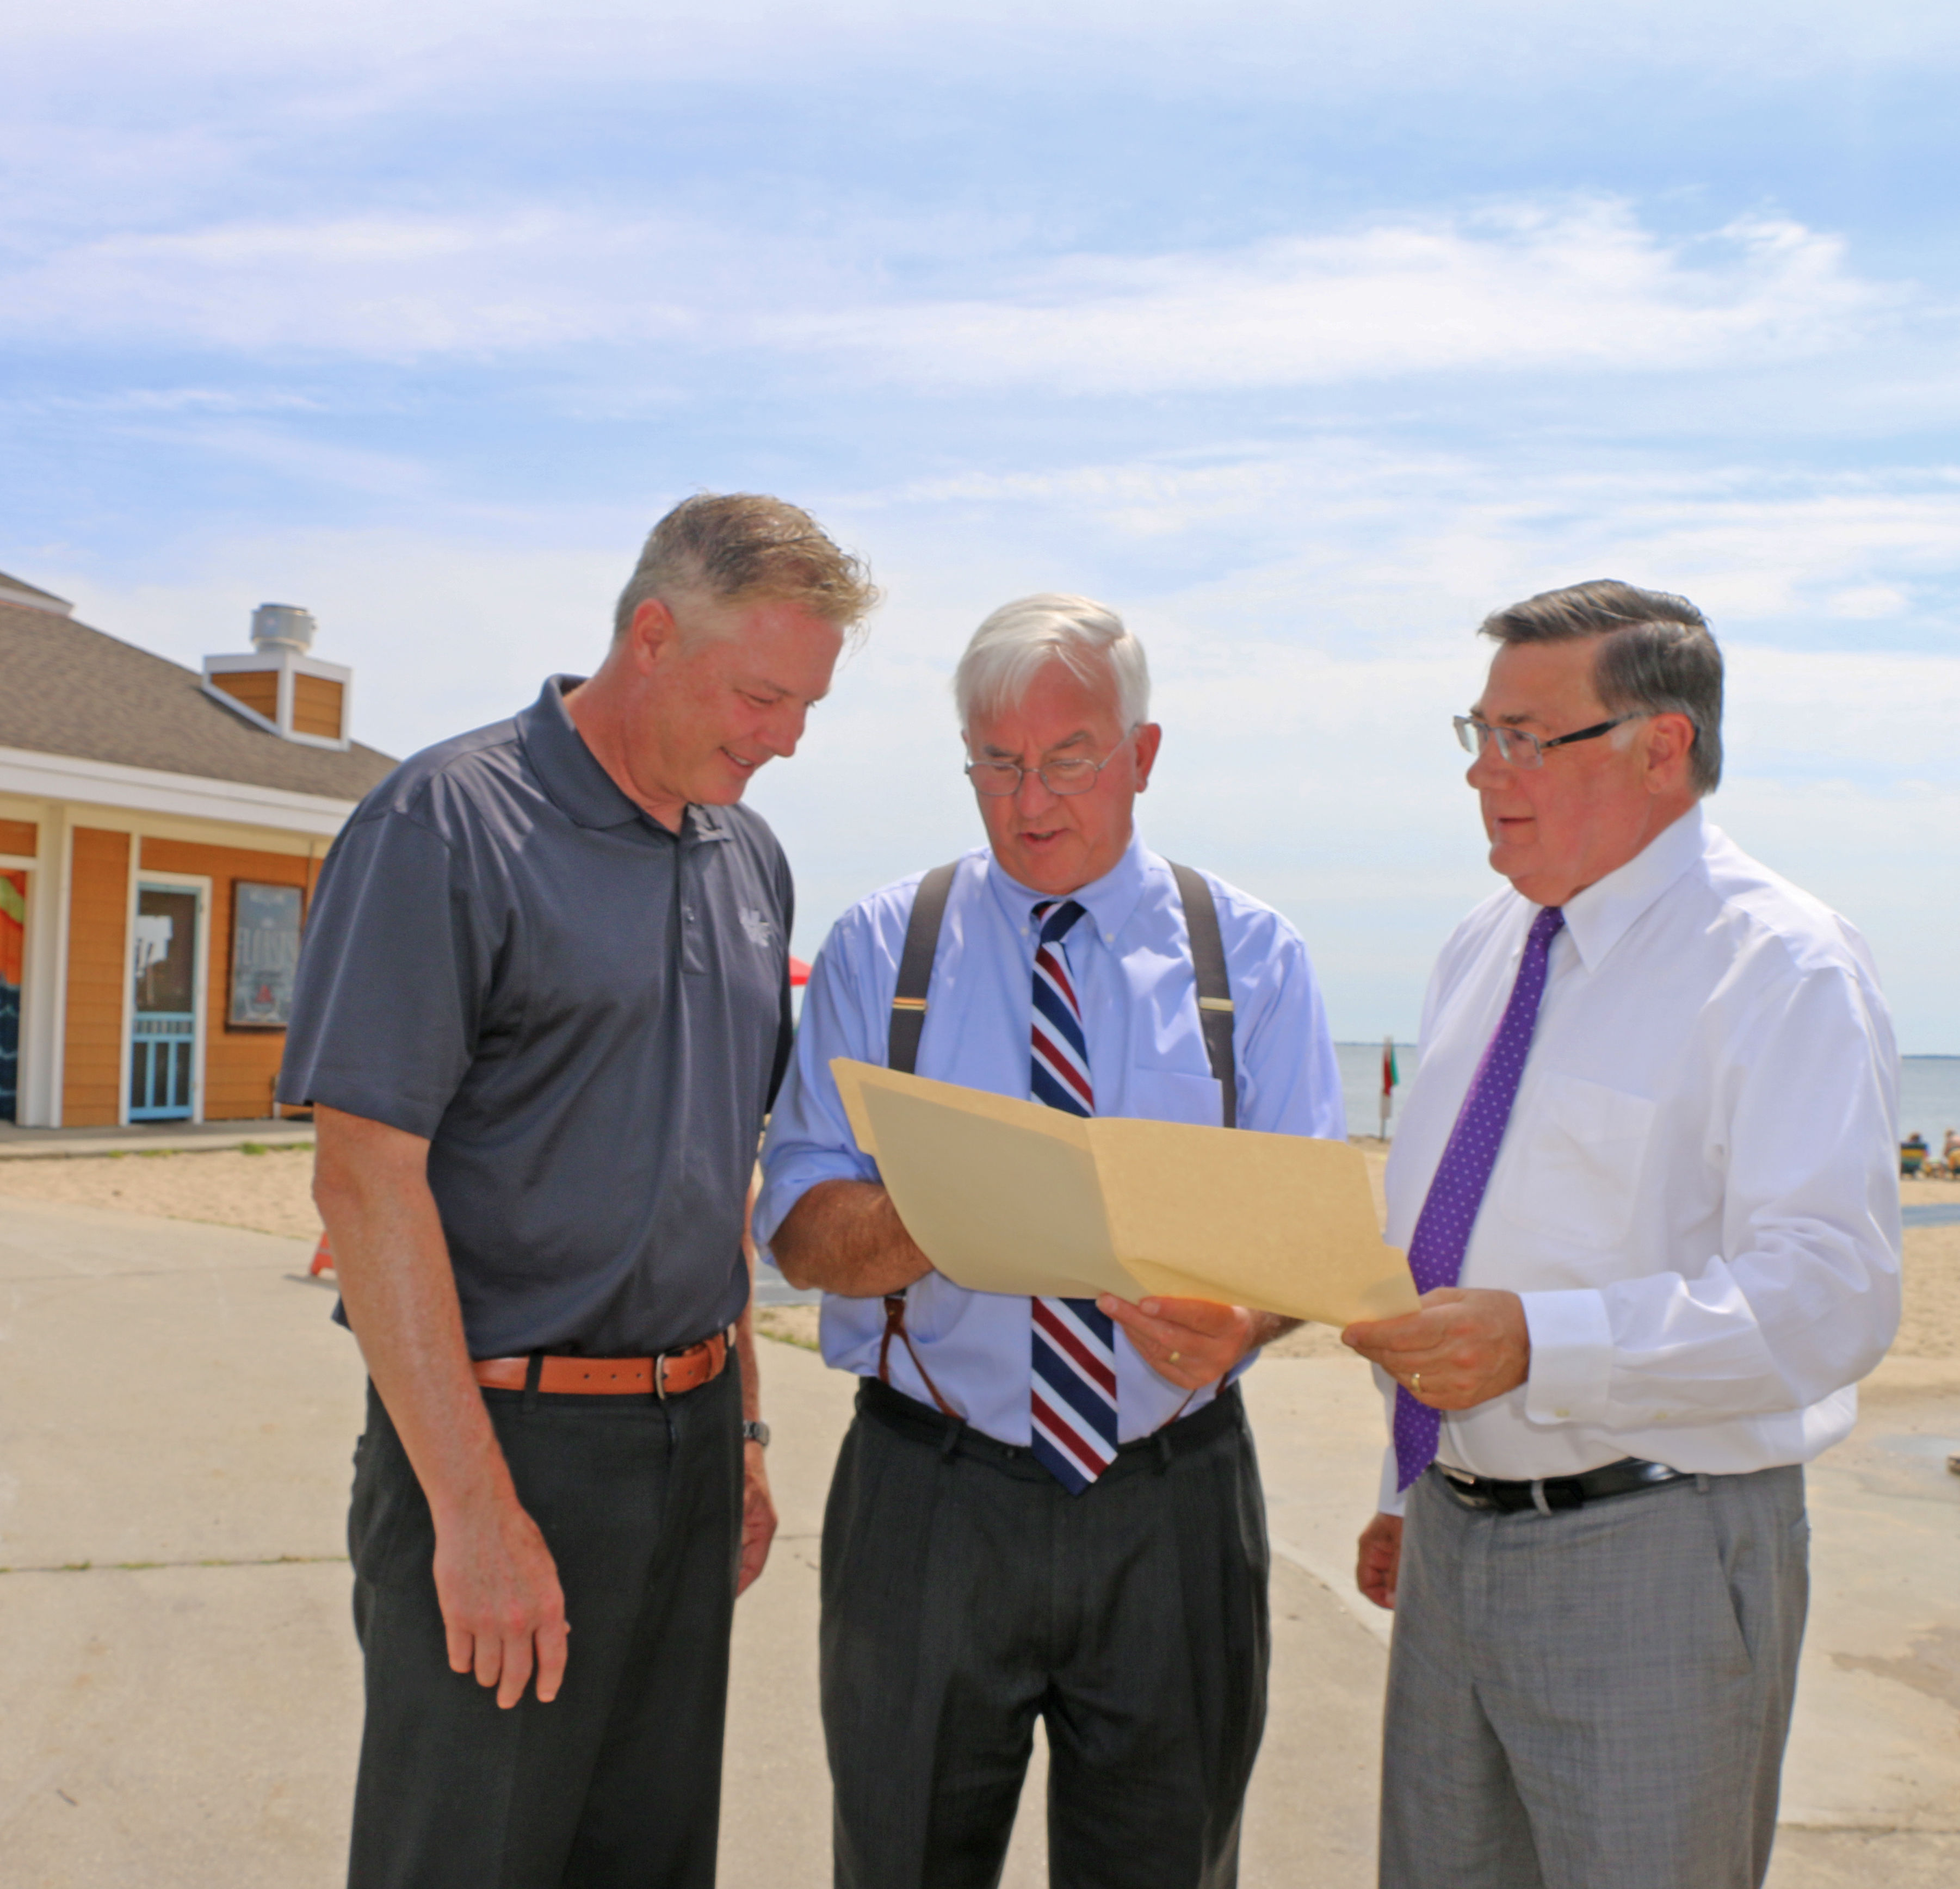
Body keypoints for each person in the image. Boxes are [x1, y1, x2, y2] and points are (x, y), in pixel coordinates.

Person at [277, 493, 879, 1888]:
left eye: (807, 705)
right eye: (760, 694)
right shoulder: (445, 822)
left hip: (685, 1453)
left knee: (650, 1862)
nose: (784, 737)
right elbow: (366, 1183)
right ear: (651, 638)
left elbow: (711, 1171)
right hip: (497, 1446)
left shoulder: (749, 856)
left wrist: (741, 1431)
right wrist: (476, 1518)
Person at [757, 593, 1346, 1889]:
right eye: (996, 762)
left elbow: (1307, 1231)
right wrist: (945, 1212)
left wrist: (1243, 1324)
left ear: (1140, 755)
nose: (1028, 800)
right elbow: (797, 1232)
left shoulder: (1249, 957)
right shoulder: (878, 947)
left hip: (1171, 1495)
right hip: (930, 1494)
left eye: (1068, 759)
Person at [1343, 580, 1901, 1889]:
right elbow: (1454, 1234)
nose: (1486, 774)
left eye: (1528, 738)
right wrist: (1404, 1484)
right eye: (1475, 735)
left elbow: (1828, 1297)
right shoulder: (1481, 948)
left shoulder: (1779, 965)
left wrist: (1545, 1344)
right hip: (1451, 1546)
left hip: (1654, 1554)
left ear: (1664, 748)